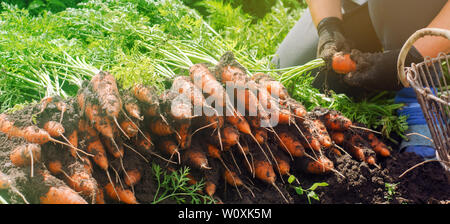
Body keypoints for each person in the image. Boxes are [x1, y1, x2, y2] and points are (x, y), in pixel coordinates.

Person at [272, 0, 450, 159]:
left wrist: (412, 58)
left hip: (426, 13)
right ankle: (380, 62)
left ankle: (417, 98)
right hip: (360, 7)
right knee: (293, 68)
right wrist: (329, 28)